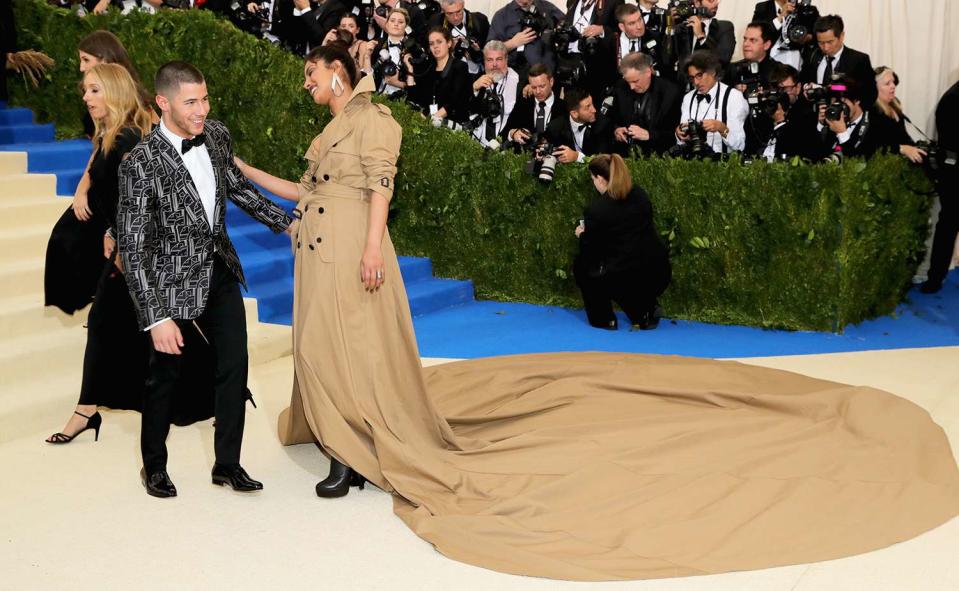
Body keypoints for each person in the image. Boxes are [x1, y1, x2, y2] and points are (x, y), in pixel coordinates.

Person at [117, 61, 293, 498]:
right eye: (191, 102)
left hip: (218, 270)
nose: (202, 109)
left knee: (235, 366)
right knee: (164, 377)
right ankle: (153, 466)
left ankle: (227, 464)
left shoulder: (215, 135)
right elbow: (133, 246)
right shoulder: (140, 162)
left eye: (205, 98)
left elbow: (238, 187)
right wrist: (156, 317)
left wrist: (287, 224)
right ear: (164, 103)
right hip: (170, 280)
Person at [44, 64, 152, 443]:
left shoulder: (127, 138)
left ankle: (86, 411)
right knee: (121, 327)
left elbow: (137, 198)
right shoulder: (111, 135)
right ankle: (86, 410)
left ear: (112, 90)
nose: (86, 98)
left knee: (129, 325)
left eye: (93, 90)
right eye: (85, 91)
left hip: (137, 249)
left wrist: (123, 241)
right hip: (123, 242)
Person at [45, 30, 156, 316]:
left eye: (86, 60)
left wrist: (118, 235)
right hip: (117, 216)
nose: (81, 67)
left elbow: (137, 188)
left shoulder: (130, 133)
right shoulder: (111, 131)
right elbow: (100, 151)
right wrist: (83, 188)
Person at [574, 153, 670, 330]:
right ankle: (645, 312)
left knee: (583, 266)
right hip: (657, 272)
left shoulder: (596, 209)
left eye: (592, 178)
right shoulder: (640, 195)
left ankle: (604, 319)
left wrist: (582, 235)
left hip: (624, 275)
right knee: (626, 265)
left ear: (601, 179)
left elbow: (591, 251)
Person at [920, 80, 959, 294]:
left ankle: (935, 277)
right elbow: (950, 140)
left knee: (948, 225)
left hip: (952, 169)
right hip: (954, 173)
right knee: (948, 225)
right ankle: (935, 277)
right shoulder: (953, 98)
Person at [675, 50, 748, 155]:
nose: (696, 82)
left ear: (713, 72)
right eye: (692, 78)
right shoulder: (688, 98)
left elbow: (739, 145)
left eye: (699, 75)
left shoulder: (734, 97)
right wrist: (679, 133)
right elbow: (682, 140)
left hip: (725, 166)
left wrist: (721, 128)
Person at [608, 51, 681, 156]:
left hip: (660, 157)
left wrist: (649, 135)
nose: (631, 87)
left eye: (635, 81)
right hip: (626, 155)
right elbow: (611, 120)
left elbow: (675, 134)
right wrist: (616, 130)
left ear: (648, 72)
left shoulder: (670, 92)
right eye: (628, 82)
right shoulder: (620, 88)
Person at [800, 14, 875, 108]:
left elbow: (870, 94)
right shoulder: (811, 56)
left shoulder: (858, 60)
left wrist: (832, 89)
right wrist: (807, 87)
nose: (825, 48)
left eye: (830, 42)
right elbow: (802, 81)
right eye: (821, 43)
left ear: (841, 36)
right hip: (814, 117)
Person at [407, 27, 472, 125]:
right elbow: (415, 98)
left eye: (439, 42)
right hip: (432, 123)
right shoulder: (429, 68)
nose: (435, 46)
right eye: (432, 43)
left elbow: (454, 101)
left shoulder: (460, 67)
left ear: (449, 43)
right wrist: (410, 69)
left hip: (453, 125)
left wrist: (430, 121)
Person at [488, 0, 565, 81]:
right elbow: (490, 50)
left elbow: (567, 30)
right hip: (514, 78)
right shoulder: (502, 15)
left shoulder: (547, 8)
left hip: (544, 77)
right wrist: (513, 43)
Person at [500, 63, 565, 149]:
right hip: (524, 158)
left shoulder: (564, 107)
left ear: (551, 82)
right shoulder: (523, 104)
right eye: (534, 87)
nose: (538, 91)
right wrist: (513, 133)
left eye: (542, 86)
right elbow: (504, 133)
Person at [469, 40, 521, 147]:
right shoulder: (476, 79)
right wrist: (474, 89)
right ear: (484, 62)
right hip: (476, 142)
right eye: (489, 60)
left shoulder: (519, 82)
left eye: (499, 59)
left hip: (506, 144)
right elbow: (465, 109)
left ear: (506, 60)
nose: (494, 65)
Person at [544, 86, 615, 162]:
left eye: (592, 104)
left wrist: (577, 157)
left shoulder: (603, 125)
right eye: (588, 107)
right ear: (574, 113)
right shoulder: (555, 127)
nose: (594, 110)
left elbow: (603, 161)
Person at [873, 66, 926, 164]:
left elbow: (903, 136)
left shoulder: (895, 105)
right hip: (886, 165)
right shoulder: (872, 111)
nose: (893, 86)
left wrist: (917, 149)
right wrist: (901, 148)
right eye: (887, 83)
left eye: (893, 82)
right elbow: (876, 145)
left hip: (901, 161)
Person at [430, 0, 489, 74]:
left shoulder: (480, 20)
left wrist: (478, 51)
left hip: (477, 74)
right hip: (448, 75)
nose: (455, 17)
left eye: (458, 12)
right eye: (449, 13)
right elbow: (430, 52)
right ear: (443, 10)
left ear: (463, 5)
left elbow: (492, 50)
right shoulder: (435, 22)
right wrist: (447, 49)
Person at [672, 0, 735, 69]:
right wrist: (669, 25)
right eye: (711, 0)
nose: (716, 3)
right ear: (697, 3)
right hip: (683, 78)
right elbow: (667, 59)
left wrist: (701, 36)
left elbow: (723, 59)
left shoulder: (725, 28)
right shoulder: (682, 28)